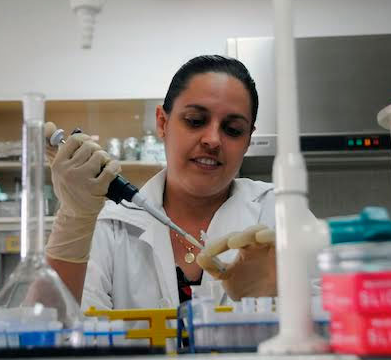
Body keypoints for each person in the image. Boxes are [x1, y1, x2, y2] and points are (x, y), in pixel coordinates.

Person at [45, 55, 277, 310]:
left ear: (248, 140)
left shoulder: (278, 212)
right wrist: (73, 218)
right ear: (162, 123)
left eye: (233, 129)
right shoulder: (109, 225)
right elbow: (53, 325)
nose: (212, 140)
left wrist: (284, 297)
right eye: (195, 121)